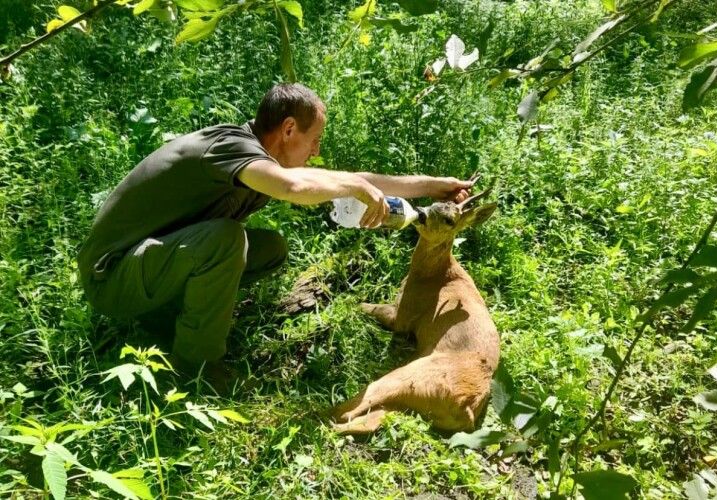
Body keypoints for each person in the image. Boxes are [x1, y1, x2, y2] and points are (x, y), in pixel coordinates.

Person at [77, 83, 475, 383]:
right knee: (224, 240)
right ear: (288, 129)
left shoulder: (261, 155)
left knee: (269, 249)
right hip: (111, 279)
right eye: (314, 139)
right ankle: (195, 365)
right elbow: (295, 188)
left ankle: (169, 316)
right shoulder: (230, 147)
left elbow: (352, 179)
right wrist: (355, 189)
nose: (317, 152)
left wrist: (433, 186)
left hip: (149, 265)